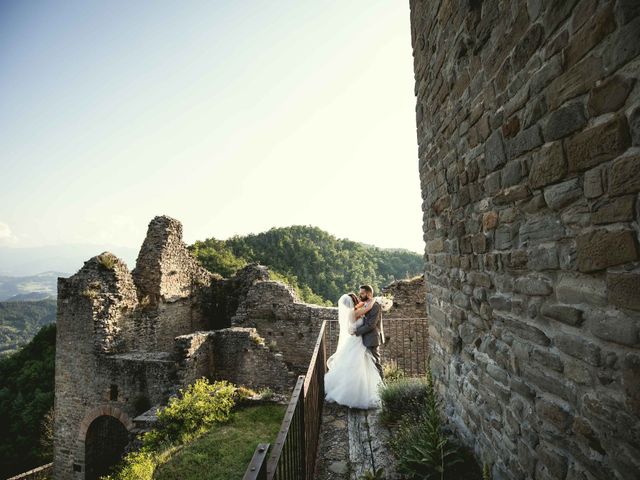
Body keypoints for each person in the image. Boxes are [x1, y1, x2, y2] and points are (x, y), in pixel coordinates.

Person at [324, 292, 384, 409]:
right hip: (357, 341)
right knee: (360, 366)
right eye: (356, 298)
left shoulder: (352, 312)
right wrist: (374, 299)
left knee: (357, 366)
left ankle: (355, 391)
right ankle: (361, 393)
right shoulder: (354, 312)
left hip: (356, 341)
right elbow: (369, 308)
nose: (358, 299)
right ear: (353, 301)